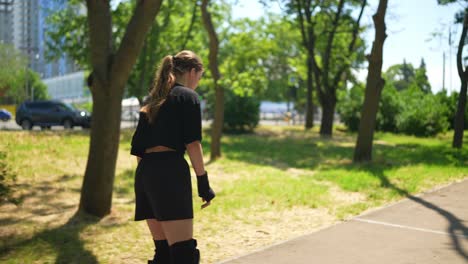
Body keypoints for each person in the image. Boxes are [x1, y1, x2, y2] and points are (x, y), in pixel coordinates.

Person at [130, 50, 215, 264]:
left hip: (145, 175)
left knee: (164, 255)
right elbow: (193, 144)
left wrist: (149, 181)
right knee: (183, 254)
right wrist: (203, 184)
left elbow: (139, 151)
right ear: (193, 71)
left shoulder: (153, 100)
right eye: (200, 76)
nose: (198, 82)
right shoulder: (188, 97)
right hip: (170, 174)